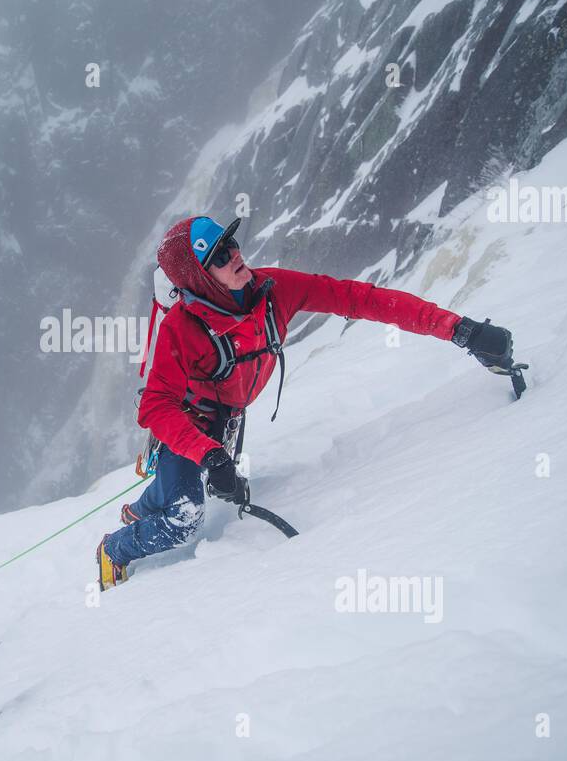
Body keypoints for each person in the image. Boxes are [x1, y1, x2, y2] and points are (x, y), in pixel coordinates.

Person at [95, 215, 519, 590]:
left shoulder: (273, 290)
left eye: (231, 243)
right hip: (188, 427)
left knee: (177, 490)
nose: (236, 254)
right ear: (202, 278)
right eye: (220, 256)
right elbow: (155, 406)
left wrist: (460, 330)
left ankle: (138, 508)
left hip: (223, 424)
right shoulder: (180, 329)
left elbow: (358, 298)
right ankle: (114, 549)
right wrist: (209, 455)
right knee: (185, 519)